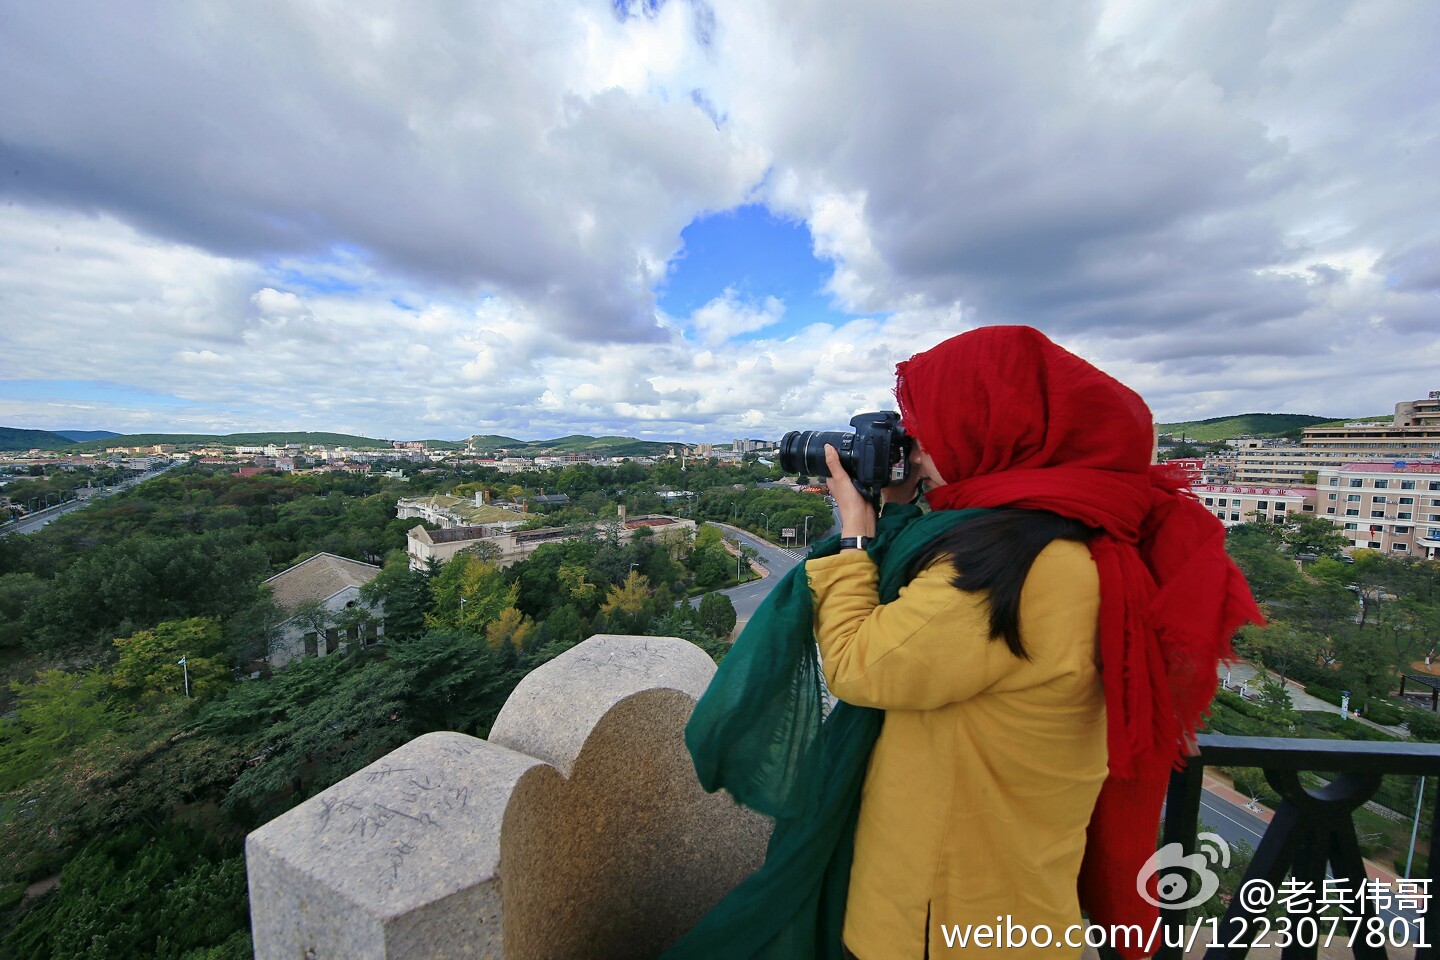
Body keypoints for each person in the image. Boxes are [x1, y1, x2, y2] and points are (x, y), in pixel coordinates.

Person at [664, 325, 1261, 960]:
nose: (916, 452)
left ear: (993, 429)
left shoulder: (1022, 564)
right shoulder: (1075, 535)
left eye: (926, 431)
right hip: (1005, 894)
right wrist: (897, 510)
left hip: (950, 915)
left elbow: (859, 665)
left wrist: (857, 535)